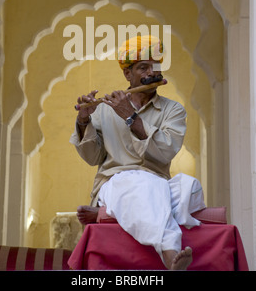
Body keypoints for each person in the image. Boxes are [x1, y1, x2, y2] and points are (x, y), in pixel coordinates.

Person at [70, 35, 205, 270]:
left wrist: (131, 117)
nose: (151, 73)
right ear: (127, 74)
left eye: (156, 66)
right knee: (141, 186)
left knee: (189, 187)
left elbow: (165, 152)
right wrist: (84, 120)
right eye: (143, 67)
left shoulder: (173, 110)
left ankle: (106, 213)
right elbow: (92, 158)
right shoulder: (104, 110)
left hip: (157, 184)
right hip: (115, 182)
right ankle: (170, 254)